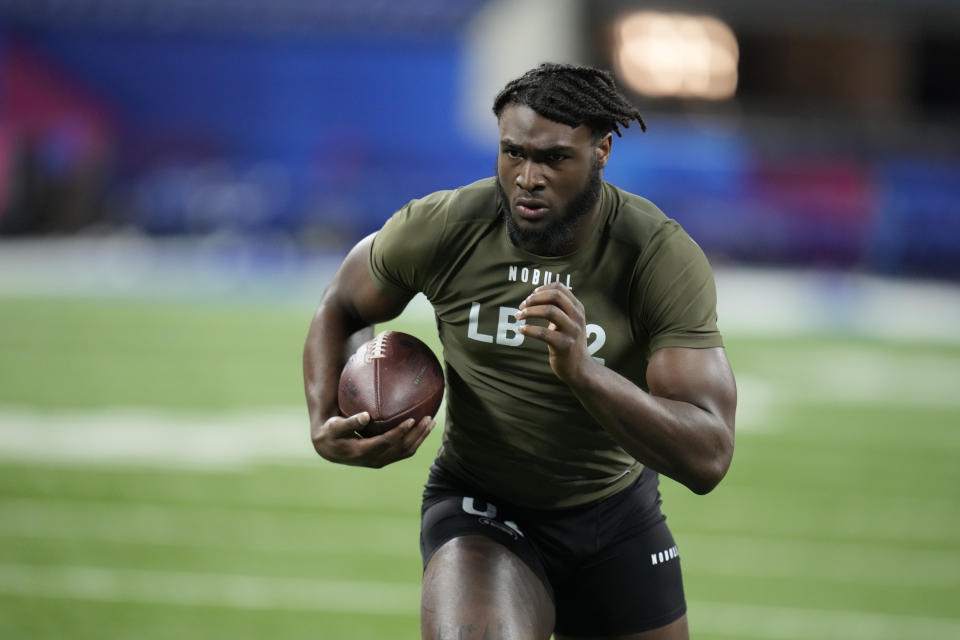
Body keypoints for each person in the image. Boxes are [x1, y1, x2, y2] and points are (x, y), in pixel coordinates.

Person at [303, 63, 736, 640]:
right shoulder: (448, 225)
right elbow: (343, 304)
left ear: (603, 150)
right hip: (481, 504)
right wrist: (328, 416)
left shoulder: (656, 255)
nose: (528, 177)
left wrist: (583, 373)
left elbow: (707, 457)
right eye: (513, 154)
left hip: (615, 513)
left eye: (554, 158)